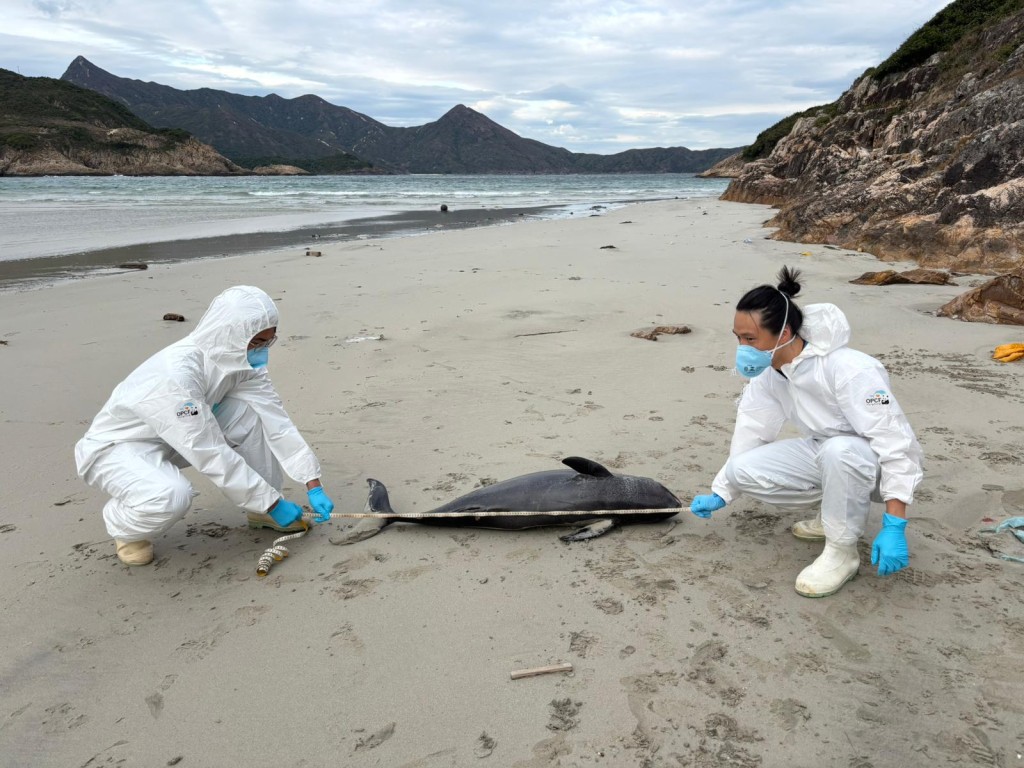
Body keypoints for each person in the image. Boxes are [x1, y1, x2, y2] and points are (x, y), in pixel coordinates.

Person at [688, 267, 923, 597]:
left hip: (875, 468)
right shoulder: (771, 373)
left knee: (839, 450)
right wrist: (722, 491)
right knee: (741, 470)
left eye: (751, 339)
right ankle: (832, 515)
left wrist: (895, 523)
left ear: (783, 334)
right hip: (828, 451)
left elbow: (896, 443)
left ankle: (842, 553)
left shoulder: (850, 369)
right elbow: (752, 431)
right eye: (738, 337)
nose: (742, 347)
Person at [75, 285, 336, 566]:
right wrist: (274, 503)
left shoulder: (244, 363)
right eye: (257, 342)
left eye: (268, 342)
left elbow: (276, 420)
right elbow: (207, 449)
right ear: (231, 335)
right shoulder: (177, 373)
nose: (262, 351)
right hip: (121, 446)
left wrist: (312, 483)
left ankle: (261, 510)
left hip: (179, 436)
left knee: (250, 413)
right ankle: (127, 529)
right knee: (171, 495)